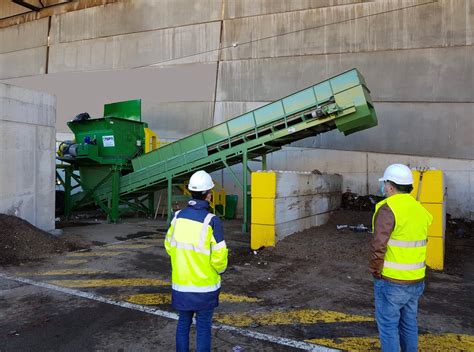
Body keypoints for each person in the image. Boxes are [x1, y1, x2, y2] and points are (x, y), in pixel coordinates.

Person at [370, 164, 433, 352]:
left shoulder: (388, 209)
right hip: (416, 280)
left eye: (386, 184)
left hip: (392, 281)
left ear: (390, 187)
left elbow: (378, 245)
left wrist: (375, 270)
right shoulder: (420, 210)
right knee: (409, 324)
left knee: (389, 327)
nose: (384, 188)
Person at [164, 170, 228, 352]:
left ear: (190, 192)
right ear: (208, 194)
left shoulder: (177, 217)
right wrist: (220, 271)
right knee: (203, 327)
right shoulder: (211, 221)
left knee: (183, 323)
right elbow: (219, 257)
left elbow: (169, 246)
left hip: (181, 285)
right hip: (205, 287)